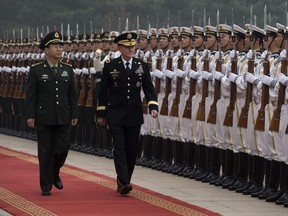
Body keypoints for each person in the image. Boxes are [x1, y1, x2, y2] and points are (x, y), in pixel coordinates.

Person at [96, 32, 159, 195]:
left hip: (134, 113)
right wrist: (101, 113)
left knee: (131, 149)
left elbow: (148, 87)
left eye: (133, 46)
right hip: (115, 113)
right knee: (119, 147)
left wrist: (153, 105)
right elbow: (103, 91)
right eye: (127, 47)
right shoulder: (111, 65)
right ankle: (124, 181)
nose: (131, 49)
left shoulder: (141, 64)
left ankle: (125, 178)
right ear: (119, 47)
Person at [25, 31, 78, 196]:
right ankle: (46, 185)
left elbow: (72, 94)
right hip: (44, 116)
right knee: (45, 151)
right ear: (46, 50)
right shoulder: (36, 70)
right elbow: (31, 94)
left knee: (63, 148)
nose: (59, 49)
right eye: (55, 46)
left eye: (60, 46)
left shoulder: (68, 69)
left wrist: (74, 114)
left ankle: (54, 172)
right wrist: (30, 115)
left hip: (63, 115)